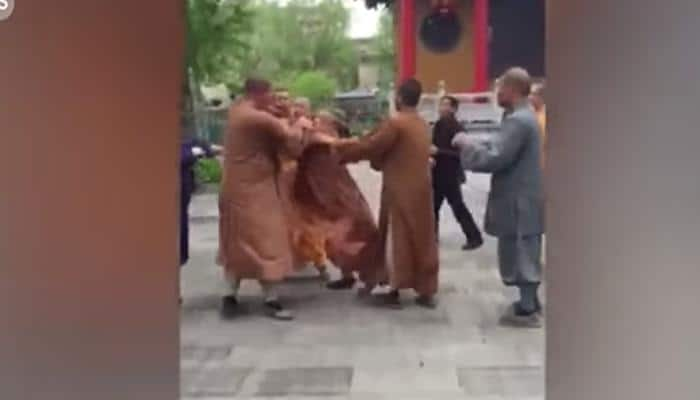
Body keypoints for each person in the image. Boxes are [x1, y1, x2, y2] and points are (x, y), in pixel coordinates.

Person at [332, 78, 439, 309]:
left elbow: (372, 146)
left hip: (399, 190)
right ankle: (426, 288)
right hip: (421, 189)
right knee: (421, 238)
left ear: (399, 97)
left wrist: (340, 152)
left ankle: (395, 288)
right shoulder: (421, 123)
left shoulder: (396, 123)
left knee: (396, 238)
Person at [452, 67, 545, 328]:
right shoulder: (519, 117)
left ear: (513, 90)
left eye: (500, 88)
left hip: (520, 200)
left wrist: (467, 145)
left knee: (522, 250)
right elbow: (498, 143)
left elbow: (496, 156)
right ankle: (529, 302)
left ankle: (527, 310)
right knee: (524, 248)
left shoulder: (519, 121)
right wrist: (476, 141)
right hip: (522, 196)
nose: (497, 93)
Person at [218, 78, 313, 321]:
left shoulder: (237, 111)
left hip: (235, 187)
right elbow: (291, 142)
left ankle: (230, 296)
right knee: (267, 240)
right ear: (259, 94)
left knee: (237, 241)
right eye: (270, 95)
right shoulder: (256, 118)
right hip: (255, 189)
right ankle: (271, 300)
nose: (273, 100)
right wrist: (301, 123)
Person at [294, 109, 383, 293]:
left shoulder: (326, 138)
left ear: (332, 125)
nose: (315, 121)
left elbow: (344, 150)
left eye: (320, 119)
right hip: (326, 195)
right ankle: (354, 274)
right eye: (316, 118)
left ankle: (363, 274)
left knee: (358, 230)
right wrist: (369, 140)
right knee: (340, 235)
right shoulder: (315, 137)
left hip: (340, 191)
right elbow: (336, 143)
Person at [431, 95, 483, 250]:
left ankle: (474, 237)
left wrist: (438, 151)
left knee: (458, 207)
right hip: (437, 173)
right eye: (441, 105)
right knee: (432, 208)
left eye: (446, 105)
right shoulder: (438, 125)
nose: (442, 108)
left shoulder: (457, 128)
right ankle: (432, 240)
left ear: (454, 109)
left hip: (450, 174)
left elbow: (459, 154)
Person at [530, 83, 546, 167]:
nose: (530, 97)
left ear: (541, 97)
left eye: (533, 94)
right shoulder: (532, 113)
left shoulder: (543, 117)